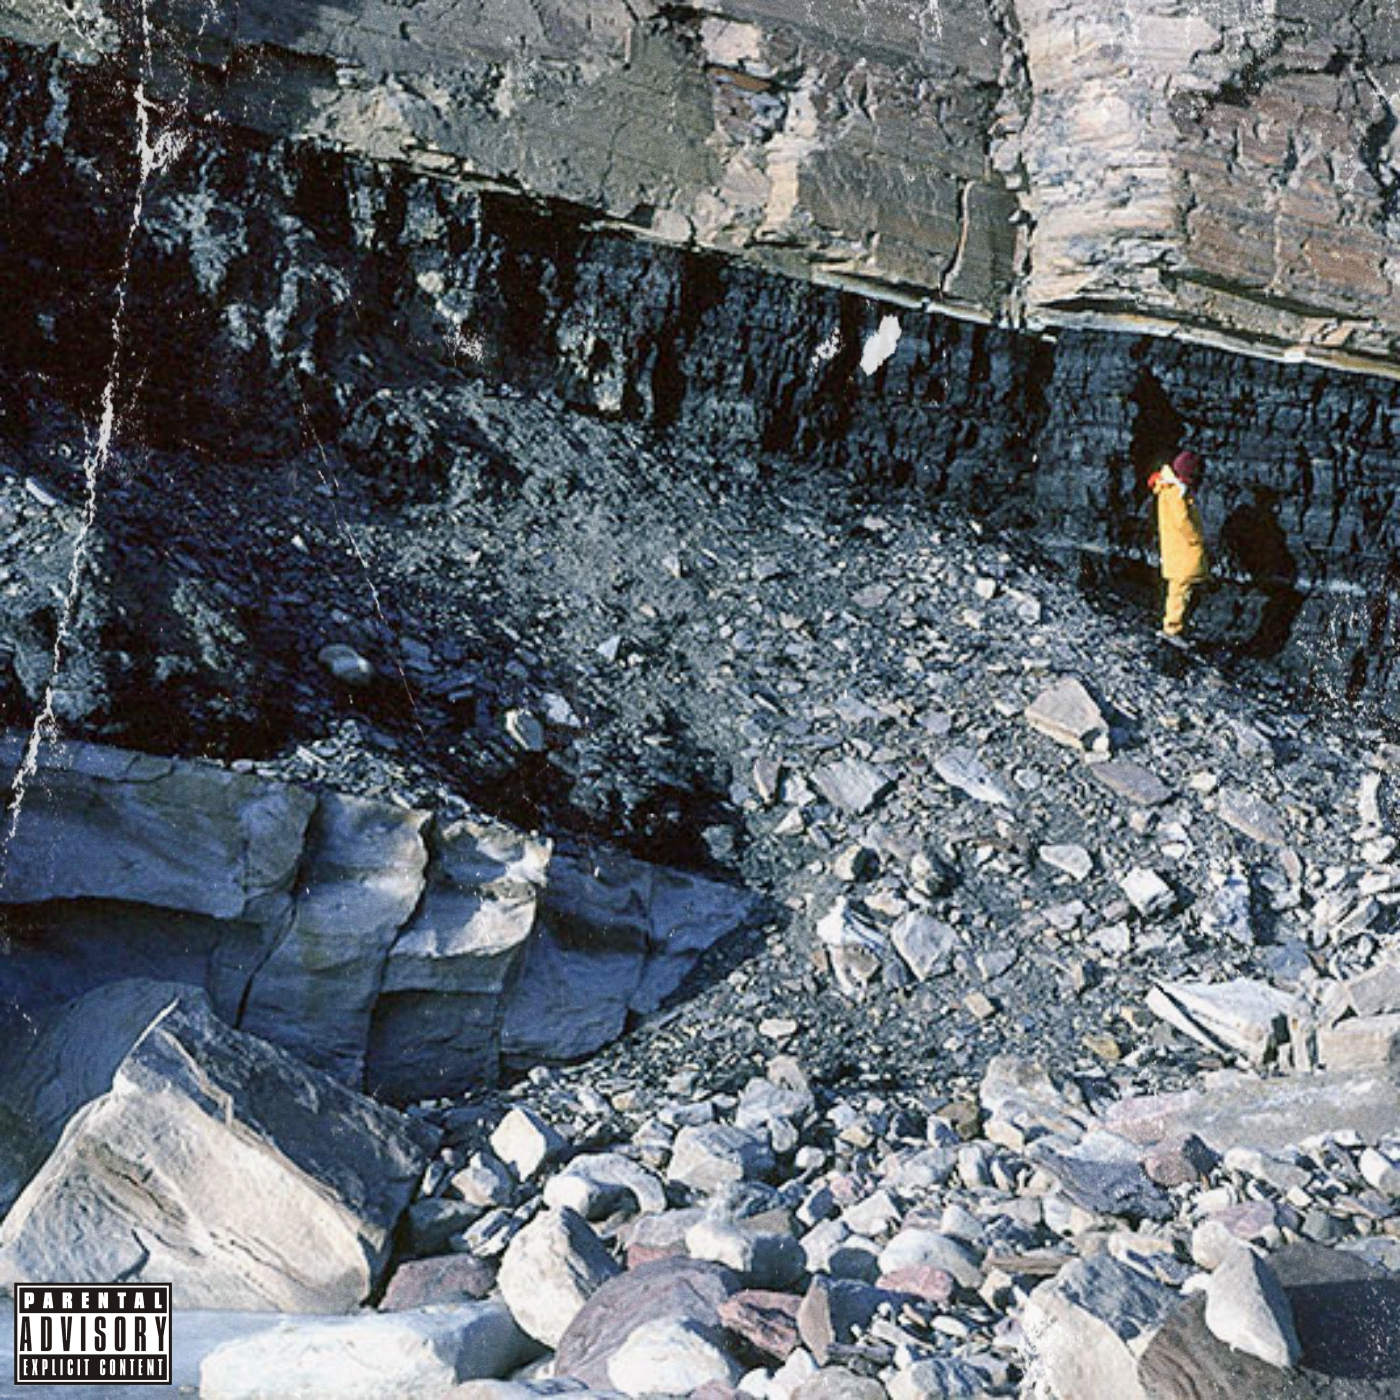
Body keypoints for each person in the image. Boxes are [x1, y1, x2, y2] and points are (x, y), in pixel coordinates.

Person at [1148, 449, 1209, 641]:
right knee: (1180, 589)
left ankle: (1176, 626)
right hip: (1182, 548)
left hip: (1176, 547)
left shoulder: (1168, 488)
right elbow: (1182, 521)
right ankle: (1172, 629)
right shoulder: (1174, 492)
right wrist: (1195, 538)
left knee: (1180, 588)